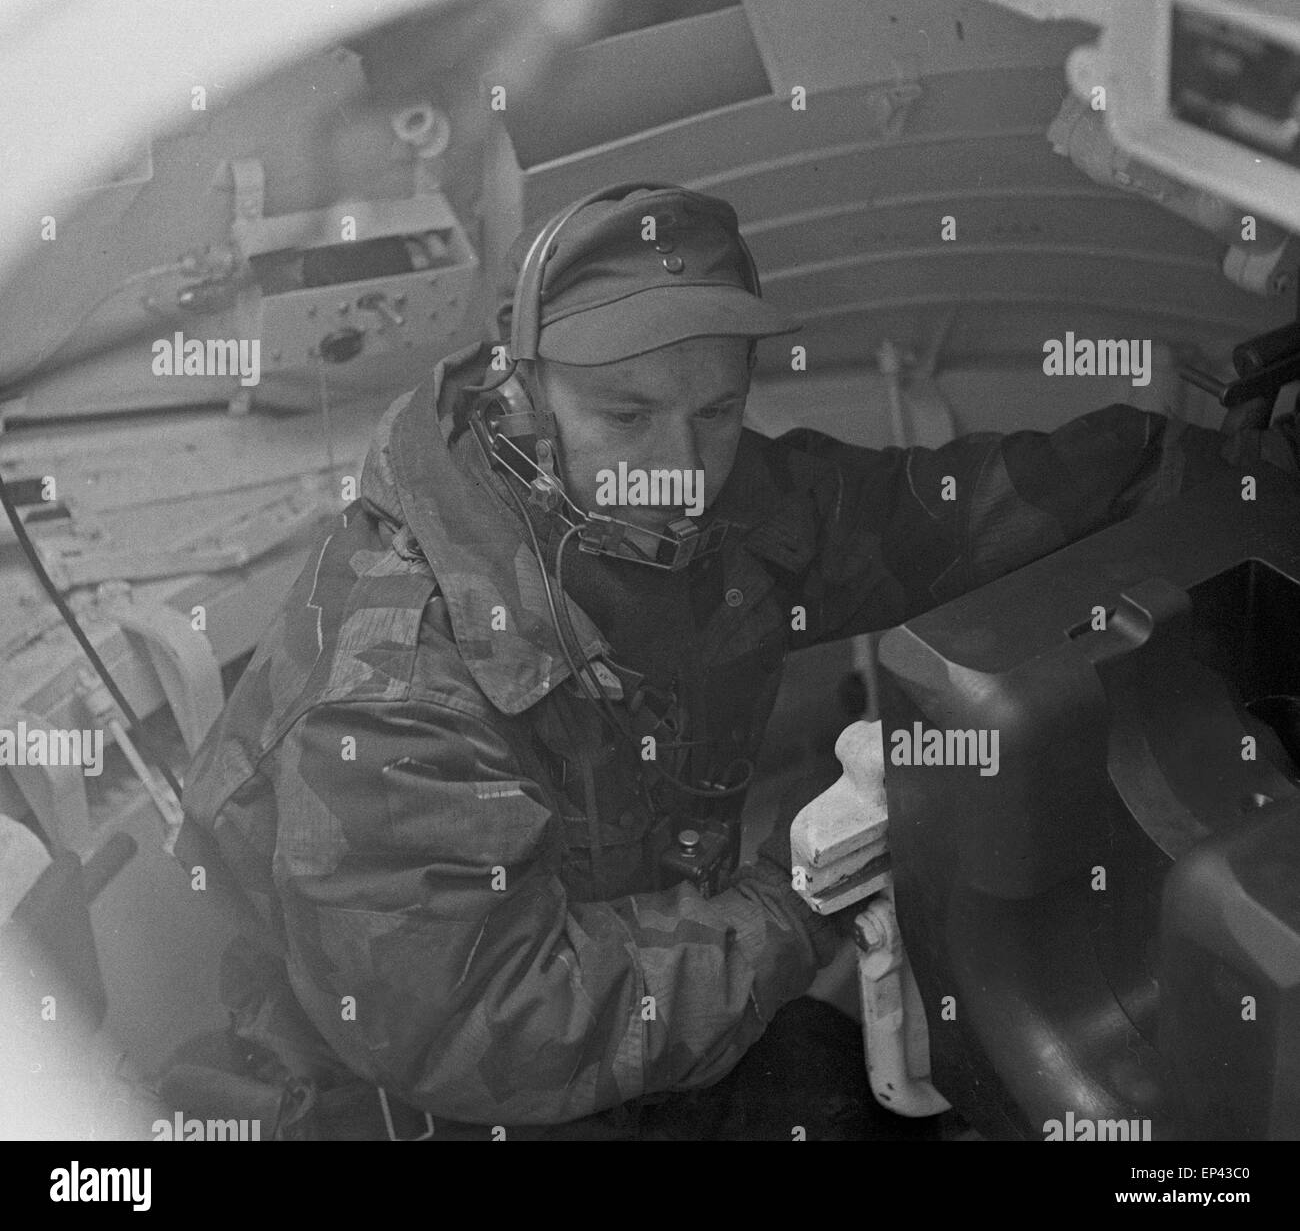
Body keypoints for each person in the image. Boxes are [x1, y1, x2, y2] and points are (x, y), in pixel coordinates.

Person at [175, 183, 1300, 1140]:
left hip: (630, 981)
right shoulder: (395, 681)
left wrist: (1193, 468)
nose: (683, 467)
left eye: (717, 410)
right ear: (522, 389)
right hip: (407, 1100)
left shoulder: (688, 496)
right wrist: (797, 900)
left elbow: (922, 521)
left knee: (825, 1088)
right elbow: (487, 1024)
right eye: (626, 412)